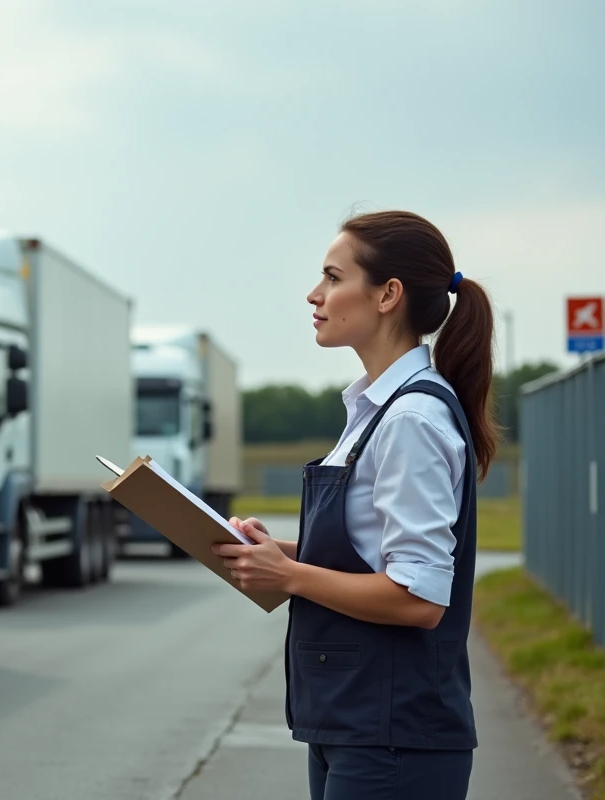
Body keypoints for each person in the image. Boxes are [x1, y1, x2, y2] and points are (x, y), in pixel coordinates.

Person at [213, 209, 499, 800]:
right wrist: (278, 554)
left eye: (333, 277)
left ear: (388, 294)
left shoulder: (411, 420)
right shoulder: (379, 413)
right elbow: (372, 553)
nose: (314, 294)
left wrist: (290, 574)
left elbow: (419, 598)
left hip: (393, 737)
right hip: (357, 725)